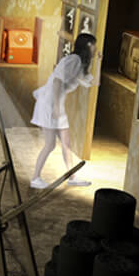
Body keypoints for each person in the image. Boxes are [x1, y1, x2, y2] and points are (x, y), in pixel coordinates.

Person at [29, 33, 96, 189]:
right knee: (50, 144)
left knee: (66, 143)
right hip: (50, 103)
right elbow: (57, 81)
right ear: (87, 46)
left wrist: (98, 62)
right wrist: (56, 107)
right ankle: (35, 178)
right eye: (93, 45)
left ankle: (72, 177)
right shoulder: (74, 60)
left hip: (57, 103)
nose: (95, 48)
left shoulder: (80, 63)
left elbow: (95, 82)